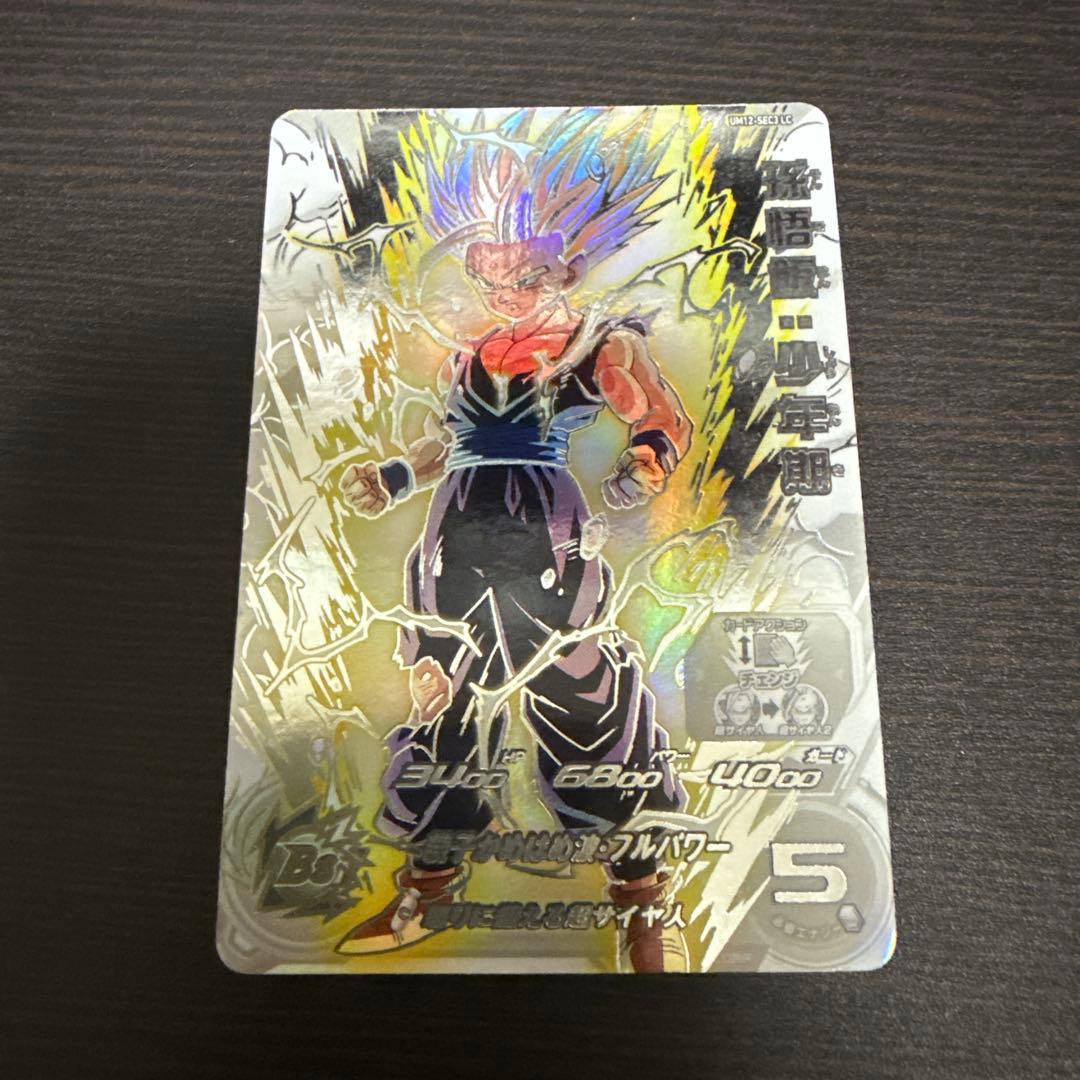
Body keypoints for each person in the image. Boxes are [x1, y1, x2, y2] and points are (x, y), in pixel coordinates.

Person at [336, 110, 694, 972]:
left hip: (545, 530)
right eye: (489, 274)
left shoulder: (598, 342)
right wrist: (395, 477)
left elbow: (659, 416)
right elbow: (449, 442)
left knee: (583, 695)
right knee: (443, 698)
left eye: (523, 275)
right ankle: (429, 886)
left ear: (564, 267)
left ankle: (640, 896)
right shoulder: (470, 354)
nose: (504, 292)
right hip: (455, 532)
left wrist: (646, 460)